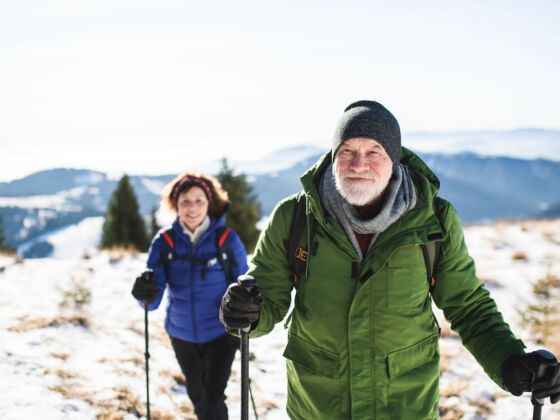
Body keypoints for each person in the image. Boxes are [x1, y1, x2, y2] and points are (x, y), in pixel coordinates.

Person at [220, 101, 560, 419]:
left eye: (374, 151)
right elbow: (268, 296)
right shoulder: (295, 217)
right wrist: (245, 313)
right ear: (334, 155)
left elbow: (467, 305)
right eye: (348, 151)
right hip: (319, 404)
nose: (358, 164)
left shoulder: (434, 220)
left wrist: (510, 361)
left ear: (394, 158)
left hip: (404, 404)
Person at [132, 172, 248, 420]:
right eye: (185, 201)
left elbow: (243, 285)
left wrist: (245, 310)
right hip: (181, 334)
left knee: (214, 396)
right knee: (197, 395)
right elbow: (152, 301)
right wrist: (144, 293)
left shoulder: (227, 240)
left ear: (209, 203)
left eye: (199, 201)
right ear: (175, 205)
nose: (192, 208)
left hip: (221, 333)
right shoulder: (164, 242)